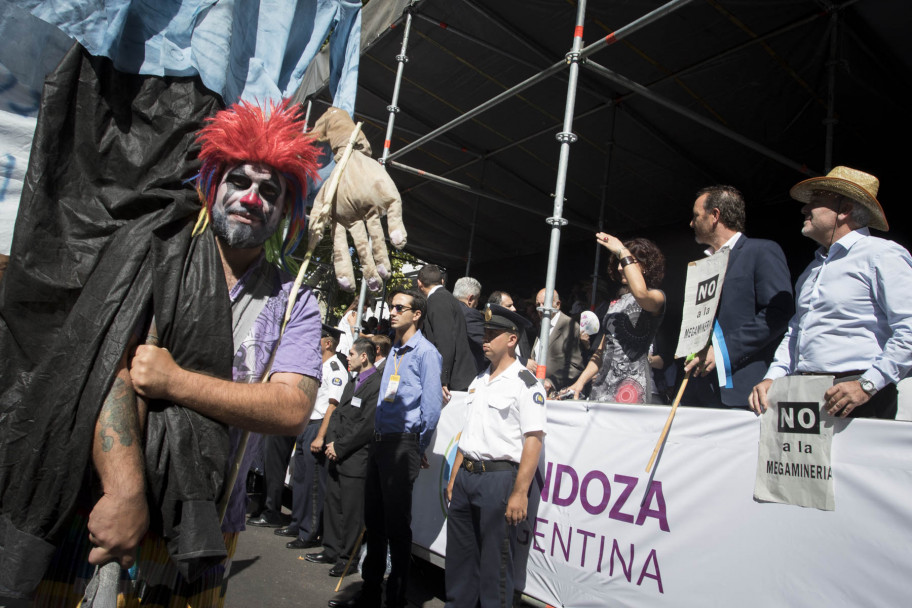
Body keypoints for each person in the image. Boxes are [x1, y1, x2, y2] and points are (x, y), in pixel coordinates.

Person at [5, 100, 323, 604]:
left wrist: (176, 382)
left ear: (286, 209)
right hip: (99, 505)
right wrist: (125, 492)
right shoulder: (156, 251)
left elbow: (291, 409)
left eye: (270, 190)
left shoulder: (294, 300)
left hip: (205, 519)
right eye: (239, 181)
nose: (252, 198)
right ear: (213, 186)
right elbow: (106, 367)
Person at [749, 166, 912, 419]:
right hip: (806, 394)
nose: (805, 209)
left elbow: (909, 327)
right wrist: (774, 376)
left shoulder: (881, 254)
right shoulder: (812, 269)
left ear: (844, 210)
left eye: (815, 201)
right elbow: (797, 331)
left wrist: (868, 385)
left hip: (859, 396)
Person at [339, 289, 443, 608]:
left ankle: (396, 597)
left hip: (402, 444)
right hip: (380, 441)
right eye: (392, 307)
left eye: (401, 307)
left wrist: (417, 445)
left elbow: (432, 408)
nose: (393, 311)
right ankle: (370, 592)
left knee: (397, 526)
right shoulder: (395, 351)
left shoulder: (426, 353)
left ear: (417, 314)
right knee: (376, 521)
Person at [444, 304, 546, 608]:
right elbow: (468, 434)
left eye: (492, 334)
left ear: (512, 340)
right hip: (466, 478)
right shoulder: (479, 380)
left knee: (496, 567)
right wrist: (454, 478)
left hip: (499, 480)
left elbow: (533, 440)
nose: (484, 339)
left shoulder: (526, 384)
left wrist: (520, 492)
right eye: (484, 333)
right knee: (460, 561)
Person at [683, 186, 794, 408]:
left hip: (744, 388)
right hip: (699, 391)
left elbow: (778, 313)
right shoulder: (702, 267)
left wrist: (724, 351)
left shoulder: (761, 251)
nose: (691, 223)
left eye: (696, 216)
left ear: (715, 215)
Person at [307, 337, 381, 576]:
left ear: (364, 356)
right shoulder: (353, 379)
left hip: (355, 457)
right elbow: (338, 413)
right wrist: (331, 441)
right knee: (333, 503)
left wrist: (339, 446)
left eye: (350, 354)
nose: (346, 357)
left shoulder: (376, 384)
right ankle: (330, 549)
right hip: (336, 451)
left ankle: (347, 557)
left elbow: (366, 425)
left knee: (351, 511)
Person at [564, 234, 666, 404]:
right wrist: (580, 383)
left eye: (627, 261)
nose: (620, 267)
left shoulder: (657, 296)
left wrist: (621, 250)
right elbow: (602, 351)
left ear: (646, 266)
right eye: (619, 262)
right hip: (603, 387)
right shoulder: (616, 303)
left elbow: (641, 294)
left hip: (632, 388)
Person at [277, 325, 350, 549]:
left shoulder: (336, 369)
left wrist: (320, 436)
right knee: (300, 478)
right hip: (306, 423)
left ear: (328, 343)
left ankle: (309, 532)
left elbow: (332, 406)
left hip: (319, 426)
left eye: (316, 338)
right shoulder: (318, 364)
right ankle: (297, 522)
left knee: (315, 483)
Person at [417, 264, 478, 396]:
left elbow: (445, 340)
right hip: (456, 378)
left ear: (419, 283)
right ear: (442, 281)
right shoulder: (446, 297)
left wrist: (442, 378)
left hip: (453, 382)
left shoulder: (437, 299)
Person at [527, 288, 584, 394]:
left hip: (557, 393)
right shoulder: (543, 325)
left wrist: (551, 382)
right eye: (538, 304)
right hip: (536, 390)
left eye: (545, 303)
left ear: (557, 305)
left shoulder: (570, 326)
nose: (541, 308)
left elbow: (576, 365)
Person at [454, 276, 486, 372]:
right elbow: (485, 345)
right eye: (477, 299)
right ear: (470, 299)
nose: (477, 303)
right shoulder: (469, 314)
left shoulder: (444, 308)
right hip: (465, 375)